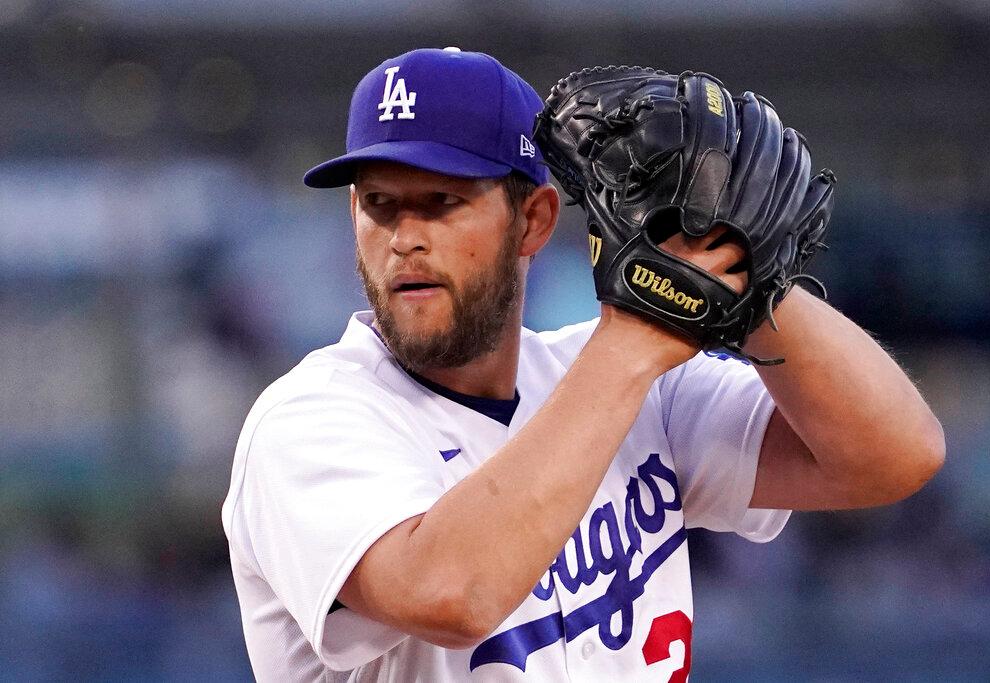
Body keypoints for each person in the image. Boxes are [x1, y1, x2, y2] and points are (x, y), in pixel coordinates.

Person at [221, 47, 945, 682]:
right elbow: (452, 590)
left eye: (440, 202)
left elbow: (892, 456)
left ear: (533, 219)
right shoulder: (309, 419)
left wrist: (739, 274)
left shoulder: (631, 384)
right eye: (380, 204)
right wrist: (635, 337)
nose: (405, 237)